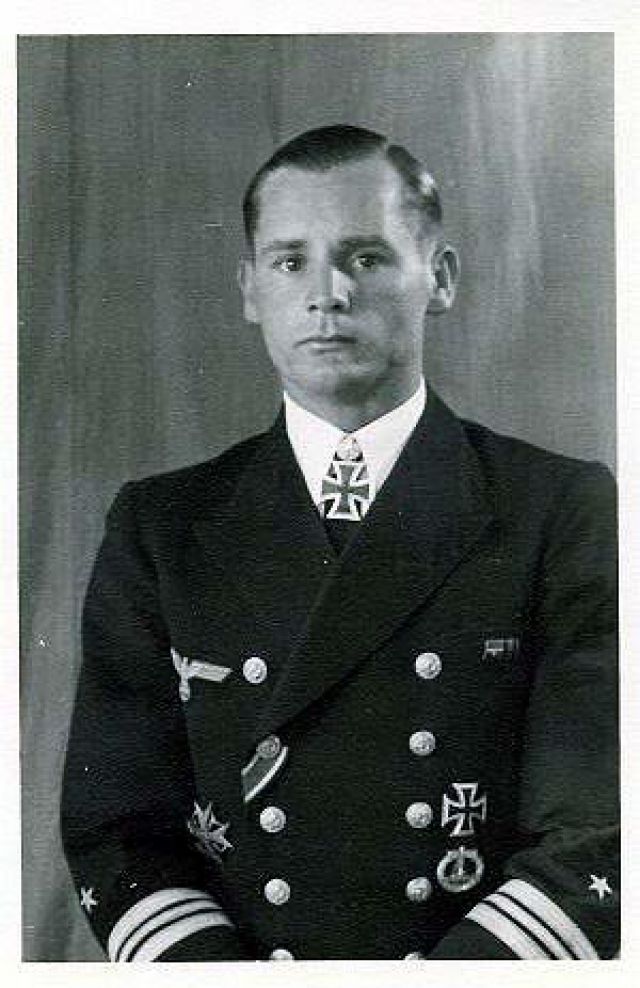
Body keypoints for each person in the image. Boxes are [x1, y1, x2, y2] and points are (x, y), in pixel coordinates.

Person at [60, 124, 618, 961]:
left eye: (366, 257)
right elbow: (117, 828)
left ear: (440, 278)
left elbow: (600, 823)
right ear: (251, 290)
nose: (328, 294)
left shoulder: (560, 509)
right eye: (291, 262)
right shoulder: (162, 526)